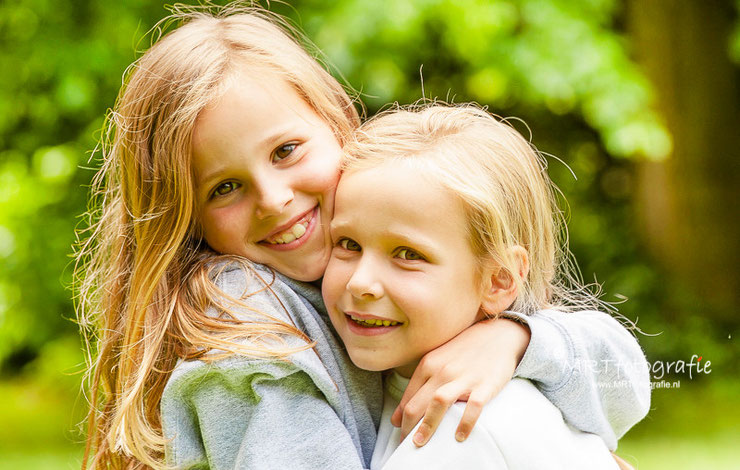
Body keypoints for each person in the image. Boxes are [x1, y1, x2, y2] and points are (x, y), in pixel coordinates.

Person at [74, 4, 649, 469]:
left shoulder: (390, 243)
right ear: (183, 215)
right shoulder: (239, 316)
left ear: (338, 124)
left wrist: (516, 341)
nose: (274, 199)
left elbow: (623, 380)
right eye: (224, 187)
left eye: (285, 151)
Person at [322, 103, 636, 468]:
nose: (361, 283)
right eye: (348, 244)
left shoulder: (460, 424)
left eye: (407, 254)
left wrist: (518, 338)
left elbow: (623, 374)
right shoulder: (390, 381)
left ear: (499, 280)